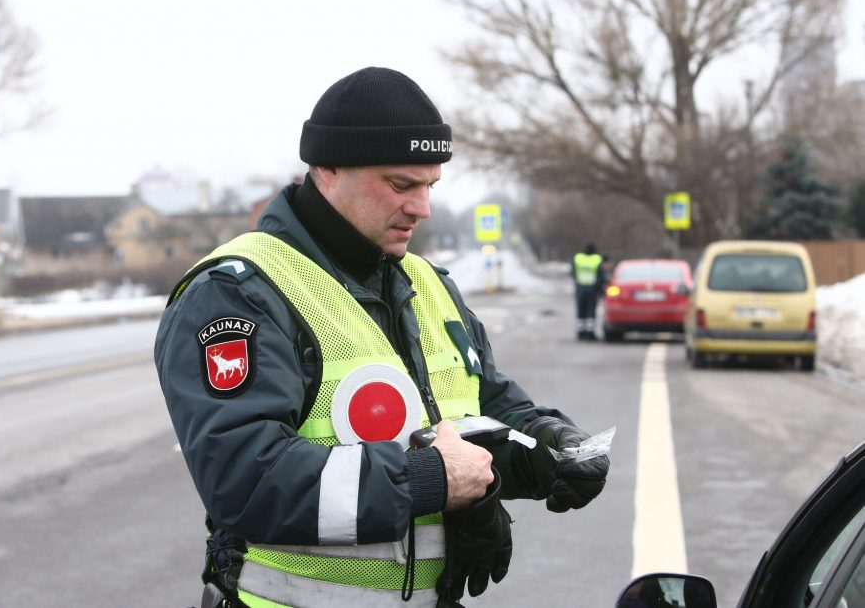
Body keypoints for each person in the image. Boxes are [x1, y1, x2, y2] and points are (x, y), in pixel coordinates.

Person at [154, 67, 610, 608]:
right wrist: (430, 480)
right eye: (401, 184)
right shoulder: (240, 293)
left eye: (430, 185)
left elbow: (482, 408)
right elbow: (246, 480)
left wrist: (549, 446)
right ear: (328, 167)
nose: (423, 207)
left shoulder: (427, 282)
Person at [572, 243, 605, 340]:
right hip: (592, 289)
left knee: (581, 310)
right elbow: (601, 275)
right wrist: (600, 288)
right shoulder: (597, 259)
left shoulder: (578, 258)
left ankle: (580, 331)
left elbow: (573, 272)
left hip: (580, 288)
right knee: (591, 310)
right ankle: (590, 332)